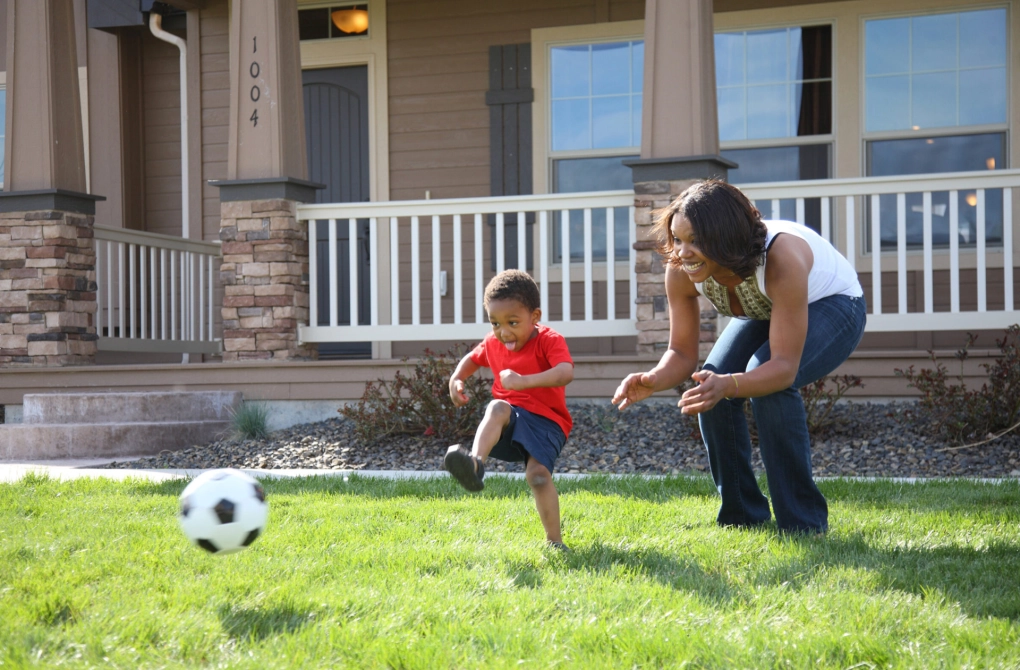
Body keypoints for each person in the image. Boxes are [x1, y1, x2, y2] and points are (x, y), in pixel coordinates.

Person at [612, 179, 866, 534]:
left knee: (768, 381)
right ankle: (742, 516)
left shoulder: (780, 259)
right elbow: (681, 353)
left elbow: (782, 369)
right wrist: (653, 379)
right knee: (710, 382)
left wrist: (732, 384)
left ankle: (802, 523)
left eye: (696, 240)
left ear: (725, 236)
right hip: (766, 310)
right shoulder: (682, 270)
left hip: (834, 305)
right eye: (678, 239)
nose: (683, 252)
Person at [445, 269, 575, 549]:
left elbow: (565, 372)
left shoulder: (549, 340)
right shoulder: (494, 342)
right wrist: (456, 378)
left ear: (535, 317)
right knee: (497, 407)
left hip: (547, 423)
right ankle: (475, 464)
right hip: (510, 420)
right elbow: (473, 358)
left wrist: (523, 381)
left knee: (537, 476)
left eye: (512, 322)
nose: (503, 332)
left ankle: (555, 542)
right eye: (495, 323)